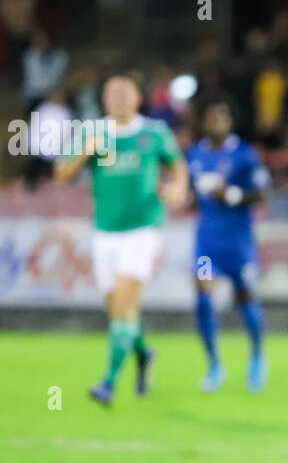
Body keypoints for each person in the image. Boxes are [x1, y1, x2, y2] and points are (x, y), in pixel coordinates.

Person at [54, 75, 188, 405]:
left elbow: (178, 167)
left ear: (137, 99)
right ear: (104, 100)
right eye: (112, 94)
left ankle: (108, 383)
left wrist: (177, 188)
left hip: (143, 229)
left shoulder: (154, 132)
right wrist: (84, 154)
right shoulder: (92, 132)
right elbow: (61, 174)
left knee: (126, 306)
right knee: (118, 311)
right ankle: (143, 354)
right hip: (104, 232)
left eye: (125, 93)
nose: (119, 99)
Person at [187, 94, 271, 393]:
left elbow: (263, 195)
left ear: (229, 122)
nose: (214, 123)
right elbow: (190, 196)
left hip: (238, 242)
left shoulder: (245, 155)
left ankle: (258, 355)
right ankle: (214, 365)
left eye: (219, 118)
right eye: (209, 118)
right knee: (203, 297)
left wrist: (232, 194)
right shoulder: (195, 154)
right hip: (207, 242)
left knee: (245, 298)